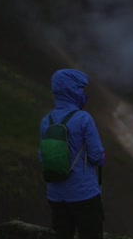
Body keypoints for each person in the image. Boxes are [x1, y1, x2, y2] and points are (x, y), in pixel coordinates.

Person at [39, 69, 105, 239]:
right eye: (80, 88)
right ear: (73, 90)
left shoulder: (47, 120)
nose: (83, 93)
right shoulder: (83, 118)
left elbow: (42, 155)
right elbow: (96, 156)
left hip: (55, 194)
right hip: (84, 194)